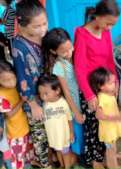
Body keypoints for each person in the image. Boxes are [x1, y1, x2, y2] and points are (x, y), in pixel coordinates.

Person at [73, 0, 120, 168]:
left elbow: (109, 59)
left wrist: (115, 81)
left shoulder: (105, 32)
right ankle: (96, 161)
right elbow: (79, 67)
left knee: (108, 123)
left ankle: (109, 153)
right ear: (98, 17)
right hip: (90, 87)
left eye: (113, 24)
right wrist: (89, 94)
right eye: (108, 23)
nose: (110, 28)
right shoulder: (81, 33)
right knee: (94, 125)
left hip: (106, 85)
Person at [11, 0, 49, 167]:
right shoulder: (19, 47)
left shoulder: (42, 37)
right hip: (33, 101)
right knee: (40, 135)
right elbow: (22, 80)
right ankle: (44, 163)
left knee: (50, 131)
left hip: (48, 94)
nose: (42, 29)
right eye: (36, 26)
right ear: (22, 25)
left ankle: (52, 157)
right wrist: (33, 104)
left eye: (44, 23)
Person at [42, 28, 84, 164]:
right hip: (73, 106)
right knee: (77, 134)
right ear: (54, 51)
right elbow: (66, 92)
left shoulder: (75, 56)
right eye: (64, 51)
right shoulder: (59, 67)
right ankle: (77, 157)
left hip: (83, 101)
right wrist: (76, 112)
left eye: (70, 47)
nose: (69, 52)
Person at [89, 67, 121, 169]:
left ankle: (115, 155)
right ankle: (112, 165)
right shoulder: (101, 98)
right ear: (101, 86)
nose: (114, 85)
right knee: (110, 150)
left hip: (112, 128)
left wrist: (117, 115)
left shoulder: (109, 94)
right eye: (111, 83)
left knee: (113, 146)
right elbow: (98, 115)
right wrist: (115, 118)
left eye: (114, 82)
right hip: (108, 131)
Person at [38, 74, 74, 169]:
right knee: (58, 150)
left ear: (57, 90)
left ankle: (67, 166)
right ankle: (62, 165)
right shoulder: (44, 104)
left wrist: (71, 133)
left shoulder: (63, 103)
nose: (43, 97)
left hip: (63, 136)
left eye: (46, 93)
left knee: (65, 152)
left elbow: (69, 119)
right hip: (53, 136)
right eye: (40, 94)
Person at [0, 61, 31, 169]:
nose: (11, 82)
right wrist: (22, 101)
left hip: (23, 127)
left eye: (13, 78)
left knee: (24, 155)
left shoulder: (14, 87)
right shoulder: (1, 94)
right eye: (6, 80)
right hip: (15, 134)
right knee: (17, 161)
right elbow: (10, 114)